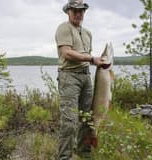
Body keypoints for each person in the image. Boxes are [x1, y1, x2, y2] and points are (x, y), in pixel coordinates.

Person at [55, 0, 104, 159]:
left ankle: (84, 154)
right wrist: (91, 59)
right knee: (69, 121)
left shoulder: (88, 33)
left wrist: (96, 62)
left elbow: (86, 56)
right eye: (75, 10)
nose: (78, 13)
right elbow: (67, 53)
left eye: (81, 11)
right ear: (68, 11)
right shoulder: (64, 28)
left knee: (87, 118)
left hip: (86, 77)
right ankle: (65, 157)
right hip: (69, 77)